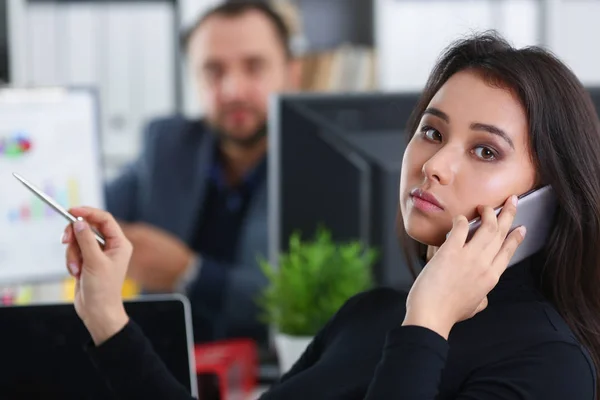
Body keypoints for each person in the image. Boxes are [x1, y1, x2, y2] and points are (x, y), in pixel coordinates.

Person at [62, 32, 599, 399]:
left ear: (548, 196)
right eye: (432, 132)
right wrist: (106, 314)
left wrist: (430, 321)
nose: (434, 165)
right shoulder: (370, 315)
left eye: (485, 151)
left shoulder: (550, 363)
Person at [104, 1, 298, 344]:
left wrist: (189, 273)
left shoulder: (320, 165)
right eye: (213, 71)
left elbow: (302, 302)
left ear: (291, 73)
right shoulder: (167, 143)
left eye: (254, 67)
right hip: (158, 369)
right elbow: (91, 210)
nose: (233, 90)